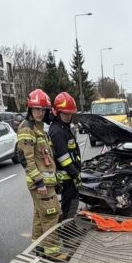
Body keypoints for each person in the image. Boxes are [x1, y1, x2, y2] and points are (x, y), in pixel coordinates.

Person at [17, 89, 64, 259]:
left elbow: (45, 156)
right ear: (30, 109)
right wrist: (39, 182)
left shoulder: (38, 128)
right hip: (40, 184)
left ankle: (38, 247)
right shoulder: (27, 128)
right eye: (37, 109)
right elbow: (27, 158)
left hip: (45, 182)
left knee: (40, 215)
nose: (40, 113)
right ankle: (53, 252)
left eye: (43, 109)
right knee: (51, 214)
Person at [49, 91, 82, 220]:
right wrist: (75, 174)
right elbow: (63, 157)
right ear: (57, 112)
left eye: (70, 114)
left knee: (73, 203)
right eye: (65, 114)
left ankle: (70, 223)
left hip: (70, 175)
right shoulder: (57, 131)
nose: (68, 116)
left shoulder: (64, 127)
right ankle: (66, 228)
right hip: (67, 177)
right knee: (68, 206)